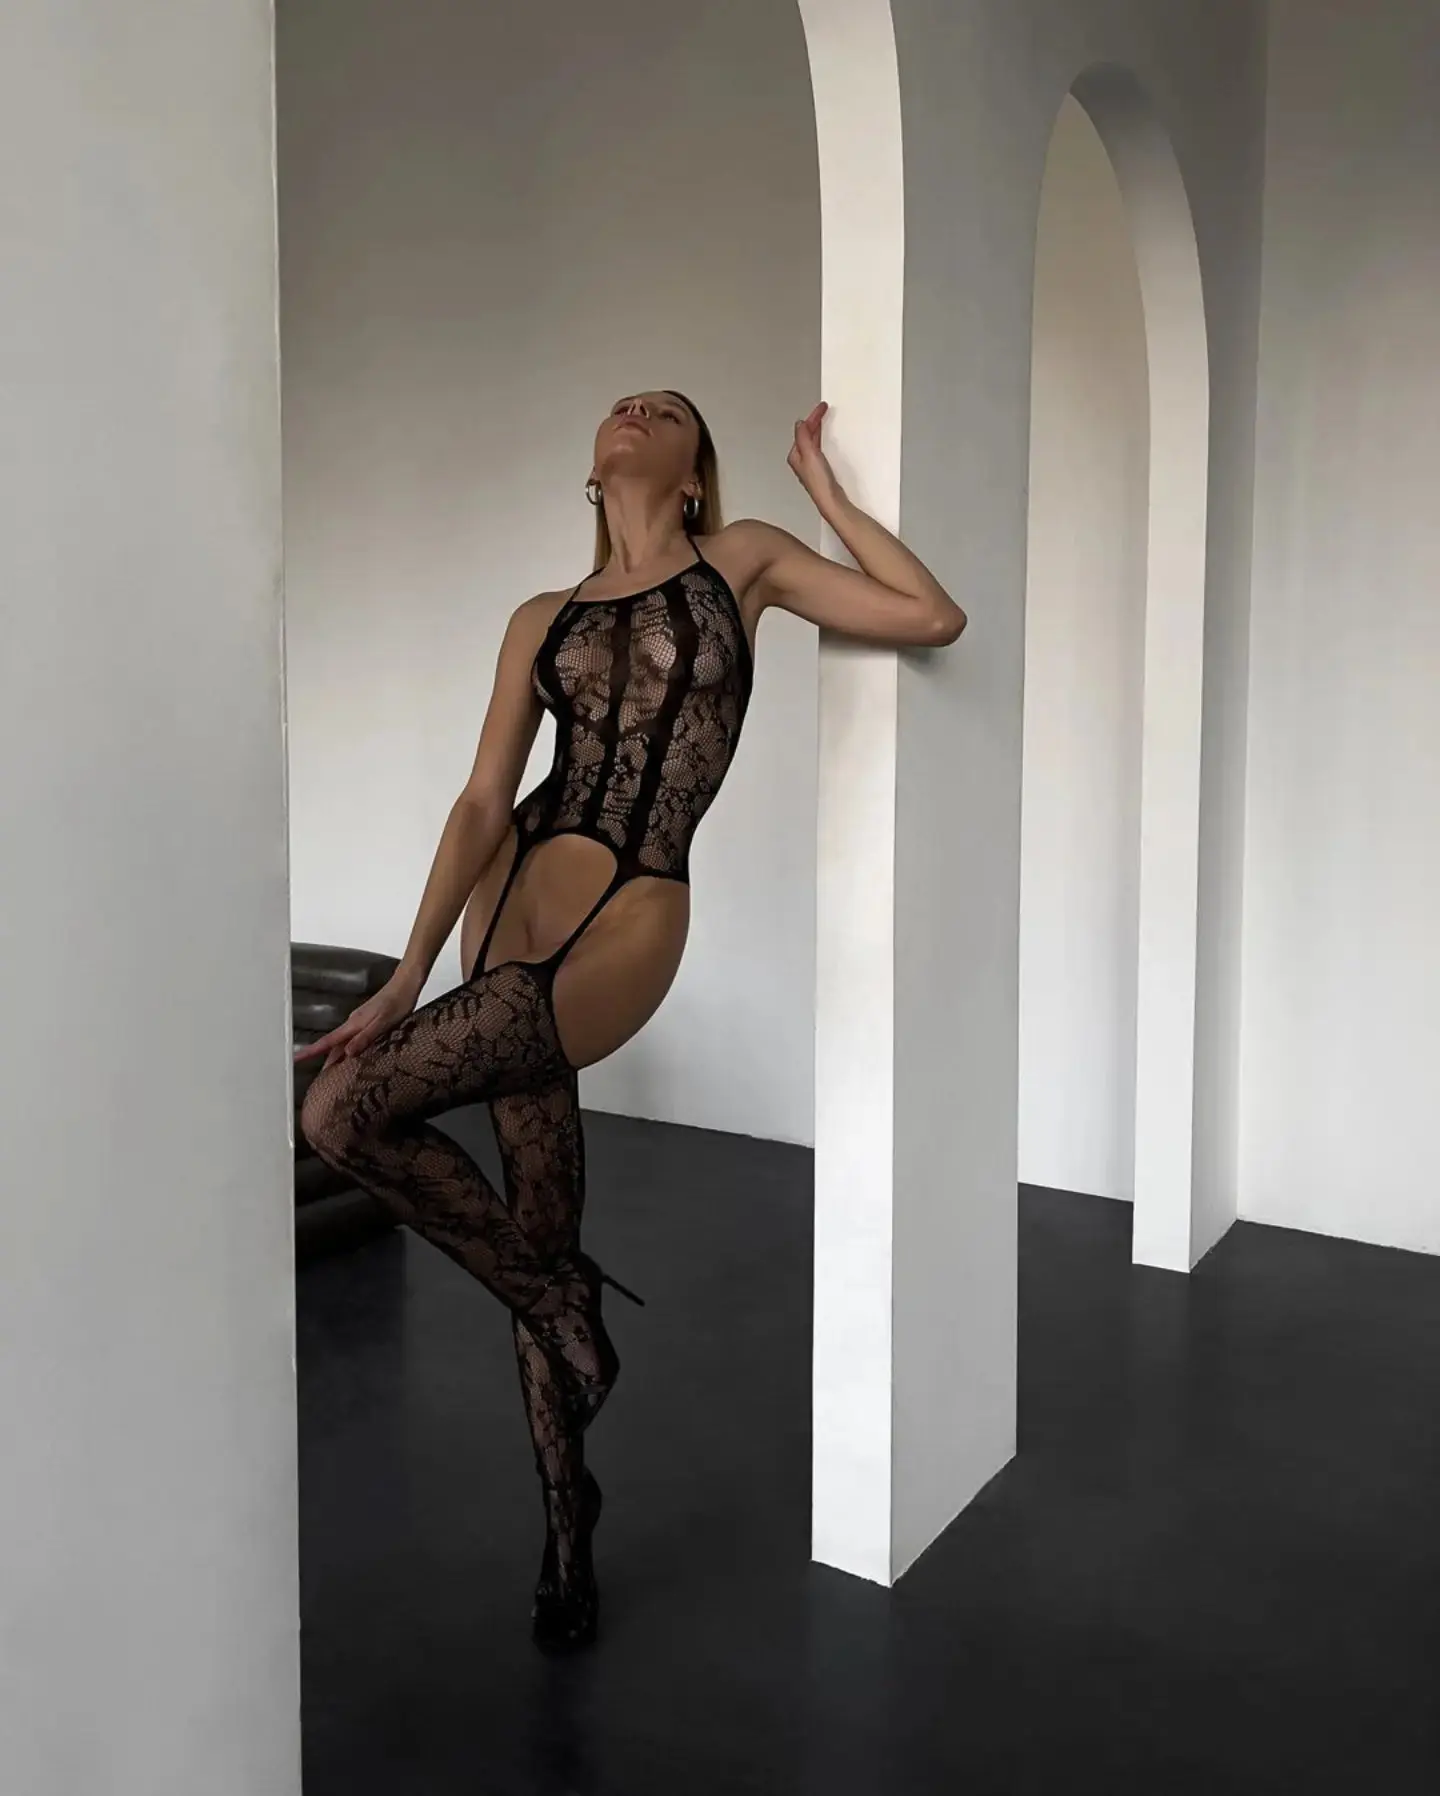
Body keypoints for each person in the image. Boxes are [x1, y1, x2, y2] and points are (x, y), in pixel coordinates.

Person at [296, 391, 966, 1649]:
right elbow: (484, 799)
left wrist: (829, 497)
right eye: (621, 405)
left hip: (633, 907)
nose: (636, 411)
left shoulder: (744, 559)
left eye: (665, 411)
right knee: (532, 1222)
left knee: (341, 1111)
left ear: (694, 471)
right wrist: (409, 971)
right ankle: (568, 1523)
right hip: (510, 903)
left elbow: (933, 615)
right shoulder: (539, 616)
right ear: (593, 468)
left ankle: (562, 1305)